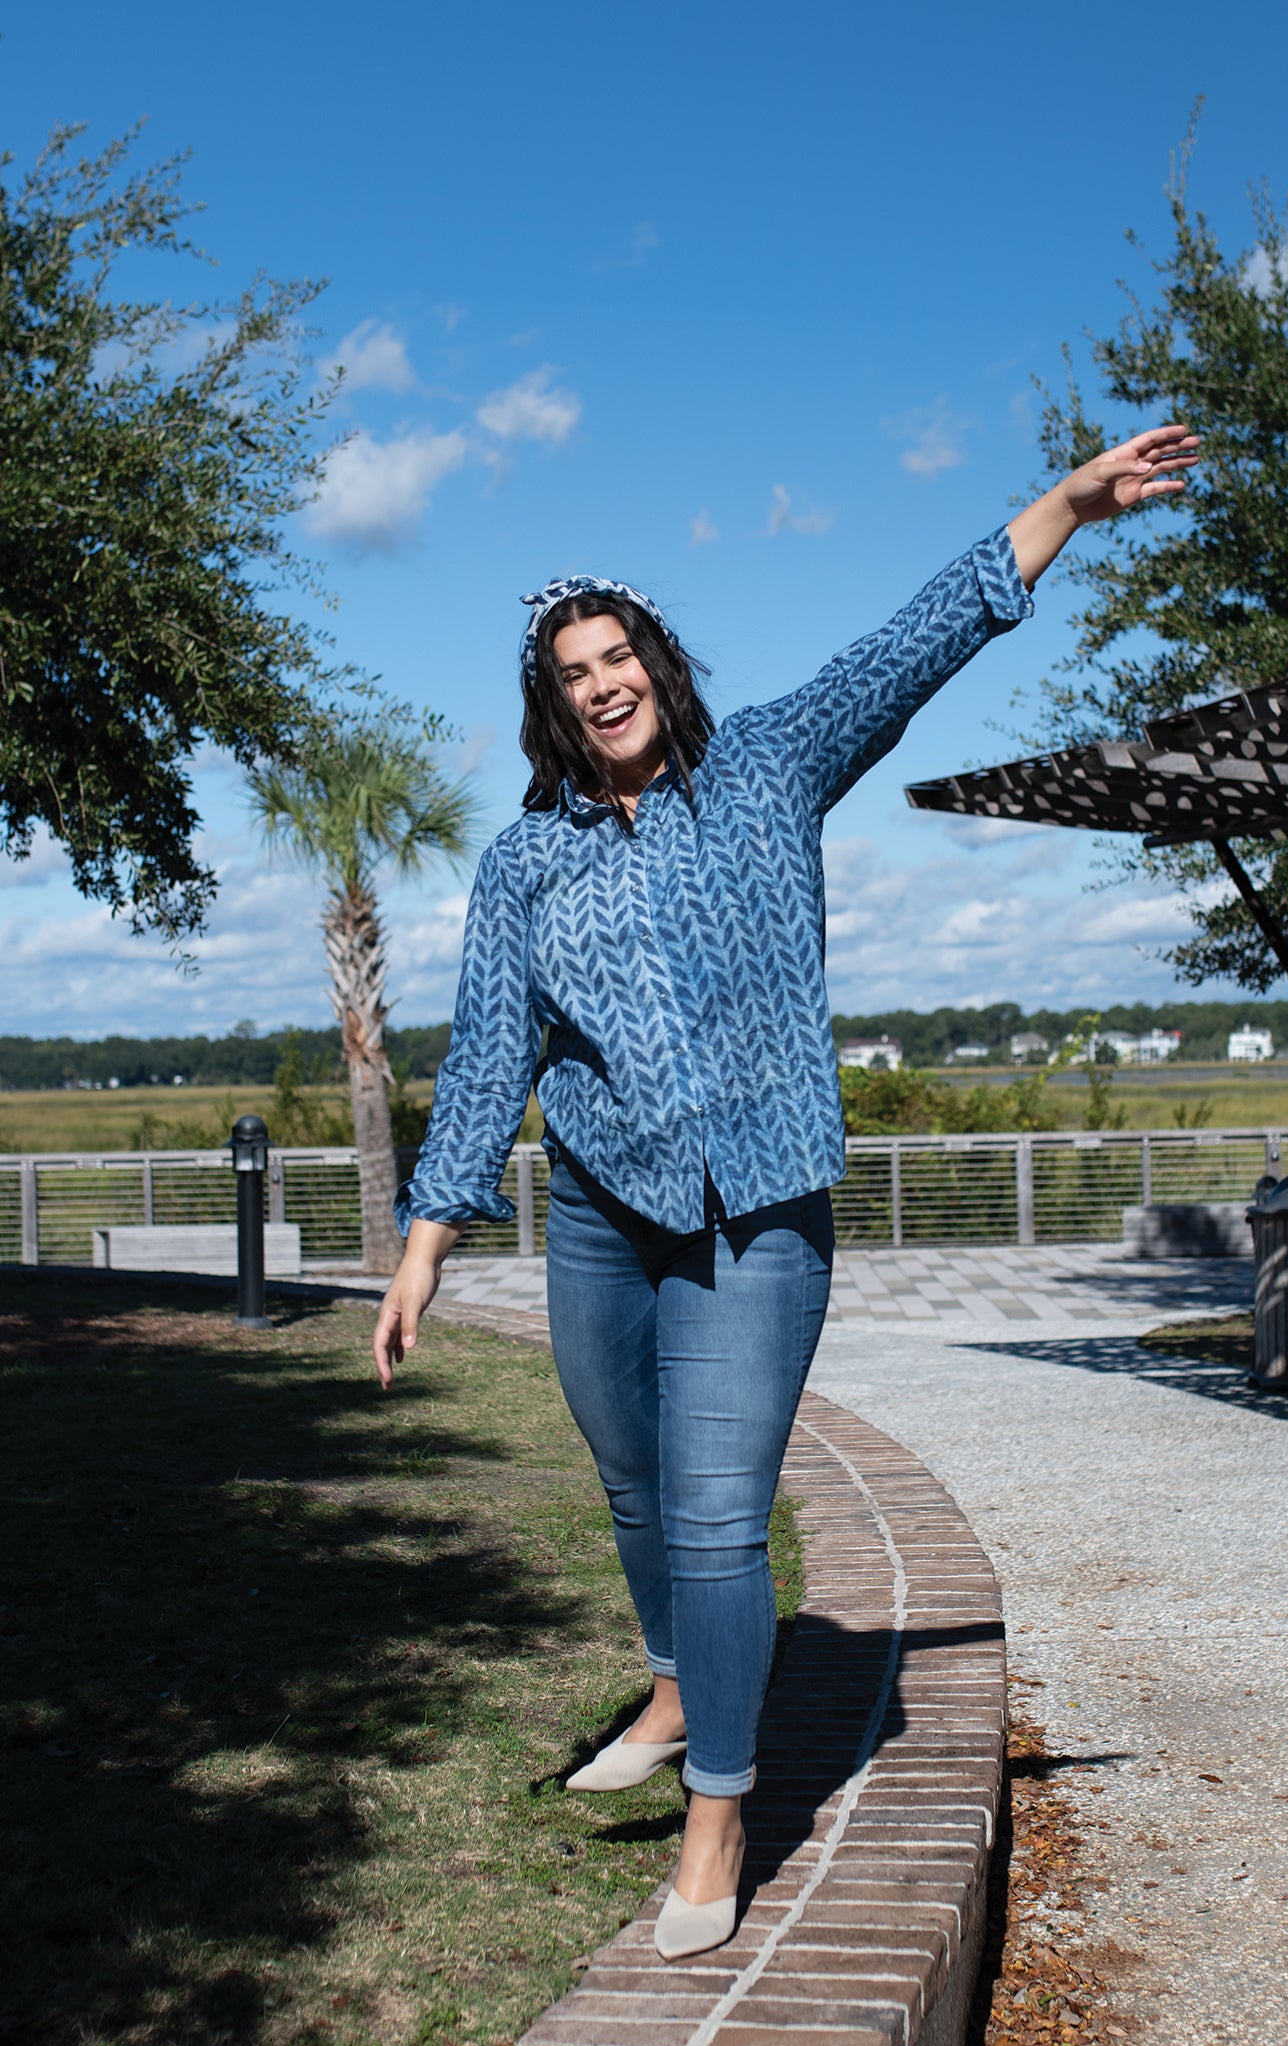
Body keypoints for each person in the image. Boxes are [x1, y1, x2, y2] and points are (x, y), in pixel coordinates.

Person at [371, 423, 1199, 1959]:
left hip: (759, 1214)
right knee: (630, 1489)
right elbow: (489, 1055)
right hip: (605, 1224)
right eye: (573, 671)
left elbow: (917, 639)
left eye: (620, 655)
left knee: (712, 1520)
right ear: (549, 704)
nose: (602, 683)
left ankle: (719, 1820)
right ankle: (680, 1683)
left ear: (658, 667)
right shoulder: (524, 866)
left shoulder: (764, 765)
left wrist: (1070, 507)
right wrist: (424, 1245)